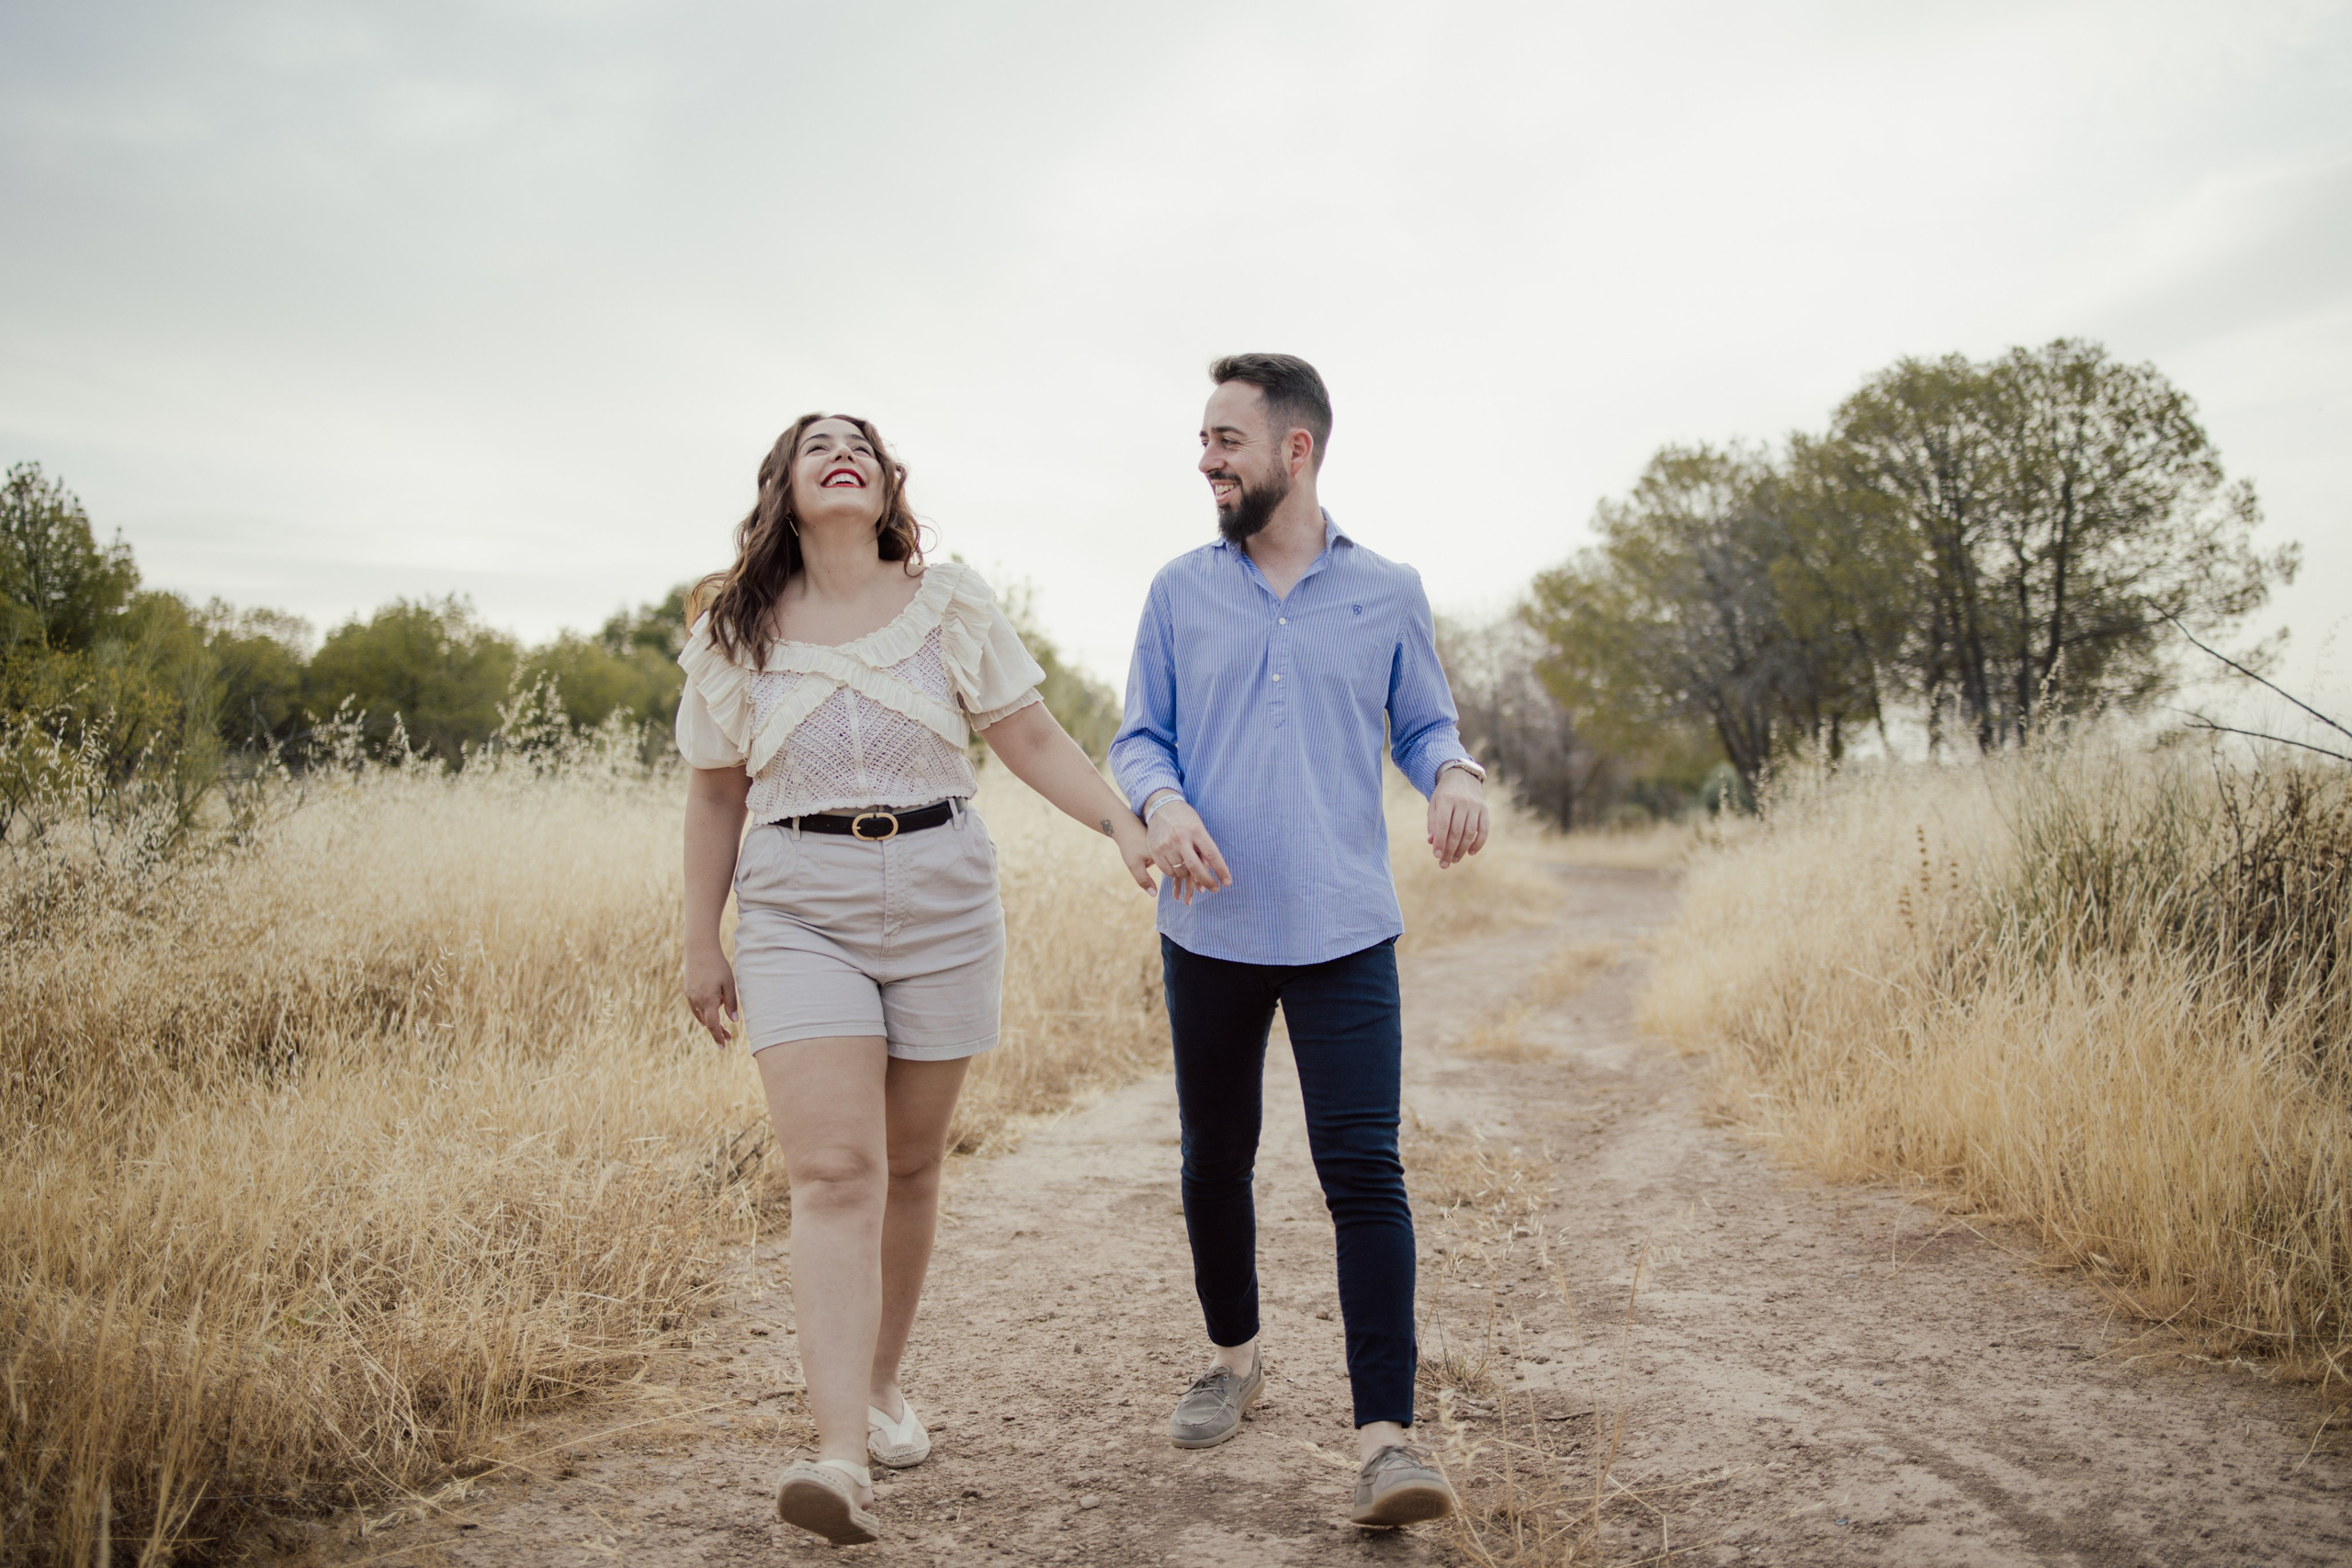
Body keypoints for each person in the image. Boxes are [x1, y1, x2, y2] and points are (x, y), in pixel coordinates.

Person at [676, 412, 1156, 1547]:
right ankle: (838, 1455)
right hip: (798, 902)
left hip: (943, 891)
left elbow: (1029, 737)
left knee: (909, 1162)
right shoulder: (734, 629)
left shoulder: (950, 602)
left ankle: (882, 1388)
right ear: (782, 489)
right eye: (814, 444)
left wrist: (1124, 829)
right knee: (836, 1172)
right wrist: (704, 940)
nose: (840, 451)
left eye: (860, 442)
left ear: (888, 483)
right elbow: (711, 794)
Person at [1108, 354, 1490, 1529]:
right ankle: (1234, 1359)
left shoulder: (1388, 590)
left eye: (1227, 439)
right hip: (1210, 928)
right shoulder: (1179, 590)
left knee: (1363, 1172)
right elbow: (1138, 741)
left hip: (1342, 930)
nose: (1207, 461)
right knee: (1212, 1159)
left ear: (1296, 450)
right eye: (1204, 443)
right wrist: (1162, 806)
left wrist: (1454, 773)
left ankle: (1387, 1440)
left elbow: (1423, 721)